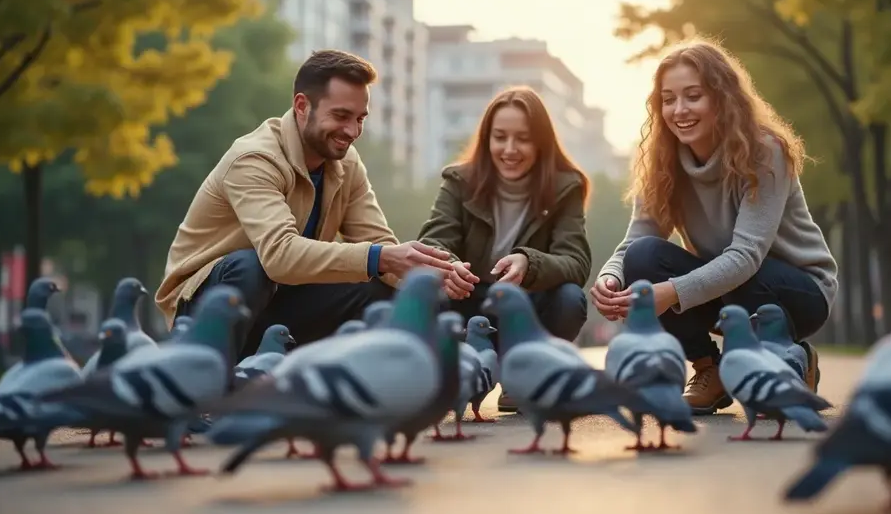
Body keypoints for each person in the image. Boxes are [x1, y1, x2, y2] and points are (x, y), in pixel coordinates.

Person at [590, 38, 838, 416]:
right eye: (668, 99)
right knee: (643, 258)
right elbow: (637, 239)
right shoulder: (662, 161)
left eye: (693, 96)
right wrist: (611, 277)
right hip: (725, 288)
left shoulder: (764, 152)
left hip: (796, 292)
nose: (679, 109)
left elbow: (745, 257)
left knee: (746, 273)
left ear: (721, 98)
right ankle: (710, 368)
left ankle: (789, 357)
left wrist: (670, 292)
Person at [155, 49, 454, 359]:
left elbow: (378, 245)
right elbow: (279, 256)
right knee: (250, 266)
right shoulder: (254, 159)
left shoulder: (346, 164)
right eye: (340, 116)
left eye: (360, 118)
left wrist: (433, 274)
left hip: (282, 298)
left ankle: (348, 387)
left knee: (381, 289)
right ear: (302, 105)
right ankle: (207, 381)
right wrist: (383, 257)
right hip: (206, 307)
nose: (352, 131)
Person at [417, 86, 592, 412]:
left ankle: (527, 376)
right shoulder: (458, 181)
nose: (510, 149)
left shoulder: (566, 186)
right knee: (430, 289)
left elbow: (576, 262)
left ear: (541, 142)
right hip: (469, 301)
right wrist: (451, 267)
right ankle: (454, 379)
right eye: (500, 137)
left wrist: (529, 262)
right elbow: (433, 242)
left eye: (523, 138)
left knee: (570, 298)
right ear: (487, 140)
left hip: (525, 306)